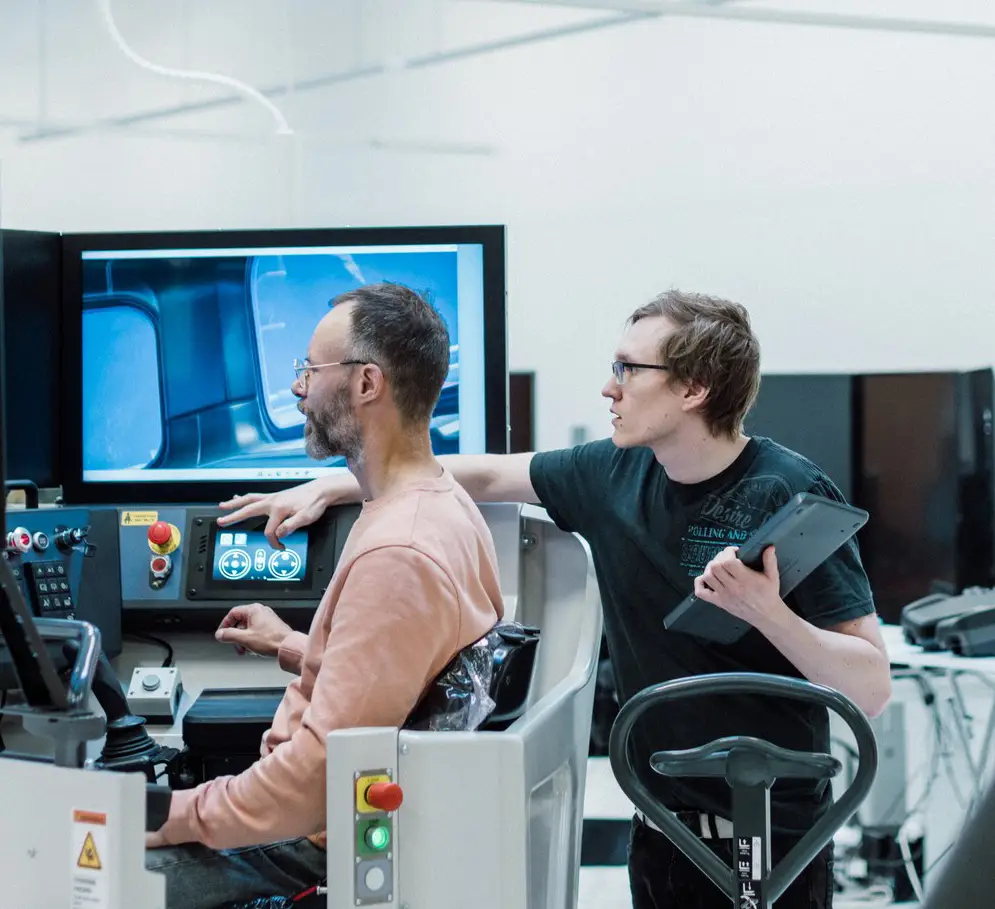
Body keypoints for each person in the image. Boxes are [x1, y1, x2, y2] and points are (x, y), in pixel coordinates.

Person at [218, 289, 892, 909]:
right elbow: (481, 471)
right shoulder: (611, 471)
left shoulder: (785, 490)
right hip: (660, 826)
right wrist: (336, 484)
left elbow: (868, 684)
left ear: (692, 387)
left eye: (629, 369)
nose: (608, 386)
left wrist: (765, 611)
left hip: (773, 832)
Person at [145, 283, 505, 908]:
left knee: (67, 865)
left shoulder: (399, 551)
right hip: (307, 819)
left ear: (367, 384)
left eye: (309, 371)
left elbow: (316, 782)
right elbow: (398, 677)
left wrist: (167, 814)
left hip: (305, 844)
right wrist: (291, 643)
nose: (297, 389)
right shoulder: (440, 505)